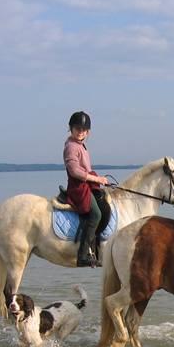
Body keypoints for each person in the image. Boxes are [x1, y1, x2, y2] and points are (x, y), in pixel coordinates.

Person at [63, 111, 109, 267]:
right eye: (77, 128)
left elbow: (86, 169)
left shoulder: (81, 145)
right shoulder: (71, 147)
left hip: (85, 184)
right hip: (78, 187)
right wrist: (97, 179)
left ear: (88, 132)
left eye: (83, 130)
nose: (80, 132)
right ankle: (82, 255)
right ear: (71, 128)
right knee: (96, 214)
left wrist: (99, 181)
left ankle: (95, 245)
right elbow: (75, 171)